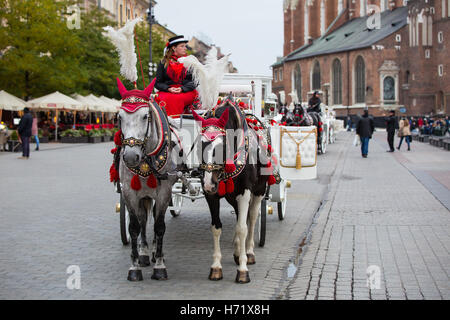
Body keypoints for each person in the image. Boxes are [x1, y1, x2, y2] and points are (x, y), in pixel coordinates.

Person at [155, 35, 198, 117]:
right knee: (163, 99)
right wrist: (168, 88)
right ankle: (164, 123)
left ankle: (174, 123)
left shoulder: (190, 62)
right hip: (168, 90)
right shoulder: (163, 62)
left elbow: (195, 82)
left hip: (186, 90)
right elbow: (158, 83)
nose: (185, 48)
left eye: (185, 46)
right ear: (174, 48)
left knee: (177, 99)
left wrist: (182, 89)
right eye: (182, 46)